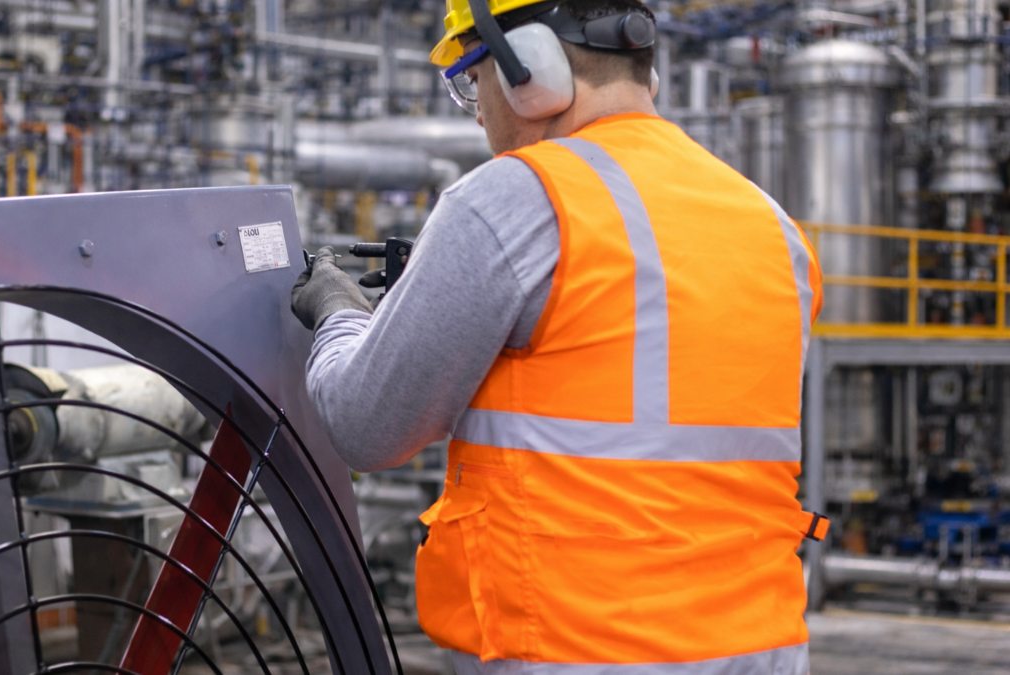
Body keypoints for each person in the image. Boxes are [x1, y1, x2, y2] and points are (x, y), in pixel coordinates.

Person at [290, 0, 828, 672]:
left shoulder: (516, 198)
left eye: (471, 78)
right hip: (762, 651)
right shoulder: (774, 227)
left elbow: (367, 426)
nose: (478, 109)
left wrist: (338, 311)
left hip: (576, 650)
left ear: (528, 68)